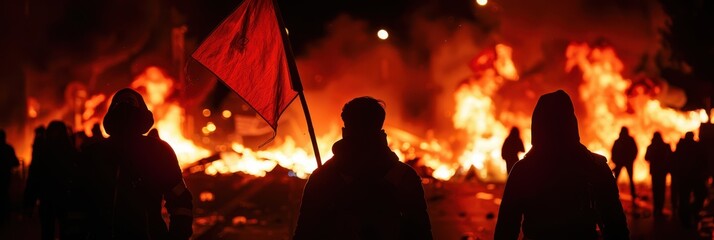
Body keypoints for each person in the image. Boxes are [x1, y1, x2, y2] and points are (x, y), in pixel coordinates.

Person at [495, 90, 629, 240]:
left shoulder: (523, 171)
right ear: (572, 122)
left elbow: (506, 228)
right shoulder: (595, 166)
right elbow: (615, 225)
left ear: (537, 125)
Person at [294, 96, 432, 239]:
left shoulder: (323, 178)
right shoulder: (404, 176)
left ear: (344, 131)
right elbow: (421, 233)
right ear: (380, 129)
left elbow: (304, 233)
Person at [81, 88, 193, 239]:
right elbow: (78, 199)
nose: (125, 107)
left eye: (129, 102)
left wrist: (177, 235)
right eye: (121, 103)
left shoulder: (158, 150)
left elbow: (180, 198)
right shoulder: (95, 153)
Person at [23, 121, 78, 240]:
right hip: (63, 198)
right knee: (65, 230)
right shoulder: (71, 152)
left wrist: (29, 202)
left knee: (48, 231)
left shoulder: (42, 152)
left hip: (49, 198)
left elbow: (33, 177)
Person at [672, 132, 706, 228]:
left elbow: (702, 160)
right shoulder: (685, 147)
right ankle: (687, 217)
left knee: (689, 197)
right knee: (686, 198)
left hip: (690, 177)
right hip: (688, 177)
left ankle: (688, 215)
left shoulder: (687, 147)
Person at [644, 132, 671, 217]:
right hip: (662, 172)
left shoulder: (651, 147)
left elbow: (646, 157)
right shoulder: (665, 146)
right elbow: (670, 157)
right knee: (661, 190)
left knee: (656, 190)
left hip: (655, 172)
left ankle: (656, 209)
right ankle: (659, 209)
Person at [611, 127, 638, 203]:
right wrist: (632, 158)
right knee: (630, 179)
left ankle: (612, 194)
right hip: (626, 162)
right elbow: (635, 150)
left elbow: (614, 151)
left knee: (616, 179)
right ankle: (633, 195)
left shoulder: (618, 141)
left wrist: (615, 160)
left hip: (622, 162)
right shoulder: (629, 140)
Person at [0, 129, 20, 223]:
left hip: (5, 175)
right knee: (4, 193)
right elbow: (16, 162)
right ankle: (5, 215)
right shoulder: (8, 148)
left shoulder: (8, 148)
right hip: (5, 176)